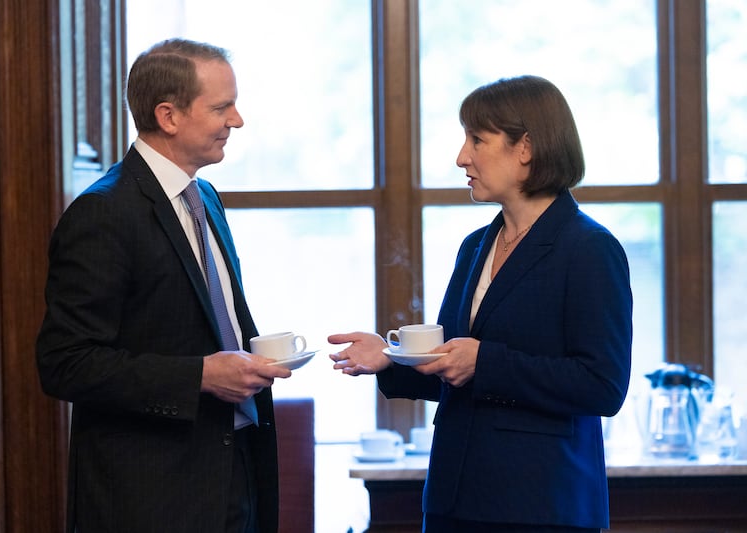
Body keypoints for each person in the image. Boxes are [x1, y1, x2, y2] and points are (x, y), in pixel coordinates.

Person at [329, 75, 632, 532]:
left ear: (525, 147)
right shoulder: (476, 246)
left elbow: (603, 386)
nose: (461, 157)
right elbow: (453, 369)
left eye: (477, 139)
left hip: (541, 506)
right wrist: (389, 360)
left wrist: (484, 361)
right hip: (454, 500)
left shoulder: (589, 249)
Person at [36, 38, 292, 533]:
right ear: (169, 116)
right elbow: (64, 363)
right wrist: (200, 375)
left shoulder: (206, 197)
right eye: (222, 107)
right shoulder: (104, 212)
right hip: (153, 497)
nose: (236, 121)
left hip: (233, 474)